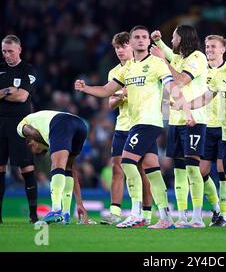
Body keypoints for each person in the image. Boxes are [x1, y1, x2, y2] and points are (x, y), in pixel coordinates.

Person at [74, 26, 194, 229]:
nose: (140, 40)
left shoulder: (157, 64)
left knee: (127, 162)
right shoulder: (126, 68)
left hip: (148, 122)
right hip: (134, 124)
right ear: (131, 41)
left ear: (149, 42)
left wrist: (187, 111)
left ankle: (137, 213)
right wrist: (86, 88)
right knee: (152, 170)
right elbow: (106, 91)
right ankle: (166, 217)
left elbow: (172, 87)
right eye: (136, 37)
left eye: (144, 37)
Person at [152, 31, 226, 226]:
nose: (209, 50)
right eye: (207, 47)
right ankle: (224, 203)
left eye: (213, 47)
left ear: (223, 50)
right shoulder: (202, 67)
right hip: (207, 125)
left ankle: (225, 214)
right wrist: (159, 42)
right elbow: (172, 56)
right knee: (201, 172)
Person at [150, 25, 208, 228]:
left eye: (173, 37)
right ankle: (183, 216)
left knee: (193, 169)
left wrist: (162, 61)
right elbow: (166, 52)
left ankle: (198, 217)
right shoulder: (178, 58)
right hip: (175, 119)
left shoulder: (198, 57)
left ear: (182, 39)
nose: (171, 40)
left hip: (194, 119)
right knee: (179, 171)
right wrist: (158, 41)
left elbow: (181, 80)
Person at [0, 35, 38, 224]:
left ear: (19, 50)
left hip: (21, 122)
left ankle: (33, 215)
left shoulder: (27, 69)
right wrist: (6, 91)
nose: (7, 55)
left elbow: (22, 97)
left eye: (10, 51)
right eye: (4, 51)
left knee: (26, 166)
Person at [100, 30, 153, 226]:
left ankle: (146, 213)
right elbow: (110, 103)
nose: (120, 51)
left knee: (142, 169)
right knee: (118, 167)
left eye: (123, 46)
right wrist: (121, 95)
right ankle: (115, 211)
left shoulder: (142, 66)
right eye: (117, 48)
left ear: (131, 46)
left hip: (141, 124)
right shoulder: (114, 72)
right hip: (122, 125)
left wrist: (123, 93)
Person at [17, 110, 91, 224]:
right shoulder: (43, 125)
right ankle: (66, 214)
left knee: (57, 165)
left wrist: (52, 140)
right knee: (67, 168)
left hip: (61, 122)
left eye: (36, 150)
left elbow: (31, 132)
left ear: (30, 143)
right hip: (80, 125)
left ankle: (56, 210)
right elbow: (73, 172)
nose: (39, 152)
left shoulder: (21, 126)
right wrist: (80, 204)